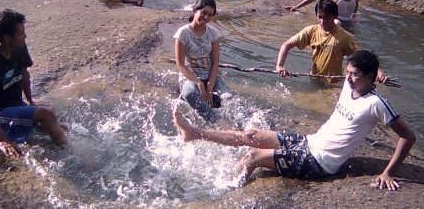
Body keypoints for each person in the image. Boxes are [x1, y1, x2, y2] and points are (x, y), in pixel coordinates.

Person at [174, 50, 416, 190]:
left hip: (320, 162)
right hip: (309, 142)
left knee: (253, 157)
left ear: (370, 77)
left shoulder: (376, 103)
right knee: (251, 135)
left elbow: (408, 135)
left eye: (355, 75)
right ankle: (194, 134)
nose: (349, 78)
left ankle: (226, 190)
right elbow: (362, 59)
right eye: (348, 72)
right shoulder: (349, 83)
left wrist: (388, 172)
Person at [0, 9, 67, 157]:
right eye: (21, 33)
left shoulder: (19, 48)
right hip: (0, 113)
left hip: (16, 104)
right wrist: (2, 140)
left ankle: (58, 146)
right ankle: (70, 153)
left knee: (55, 123)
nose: (25, 36)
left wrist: (30, 100)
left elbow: (24, 74)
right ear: (6, 38)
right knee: (47, 114)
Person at [173, 0, 232, 125]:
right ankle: (218, 122)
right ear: (195, 11)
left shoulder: (213, 33)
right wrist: (199, 83)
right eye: (203, 13)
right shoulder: (183, 33)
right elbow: (181, 64)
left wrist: (210, 86)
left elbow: (215, 61)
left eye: (210, 15)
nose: (206, 17)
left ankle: (247, 124)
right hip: (190, 77)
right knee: (189, 94)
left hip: (210, 75)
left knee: (228, 97)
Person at [277, 0, 361, 78]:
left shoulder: (345, 37)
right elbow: (286, 45)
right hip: (314, 77)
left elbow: (359, 59)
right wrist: (279, 66)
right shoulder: (311, 31)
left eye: (326, 17)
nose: (322, 21)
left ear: (335, 16)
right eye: (320, 17)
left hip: (334, 83)